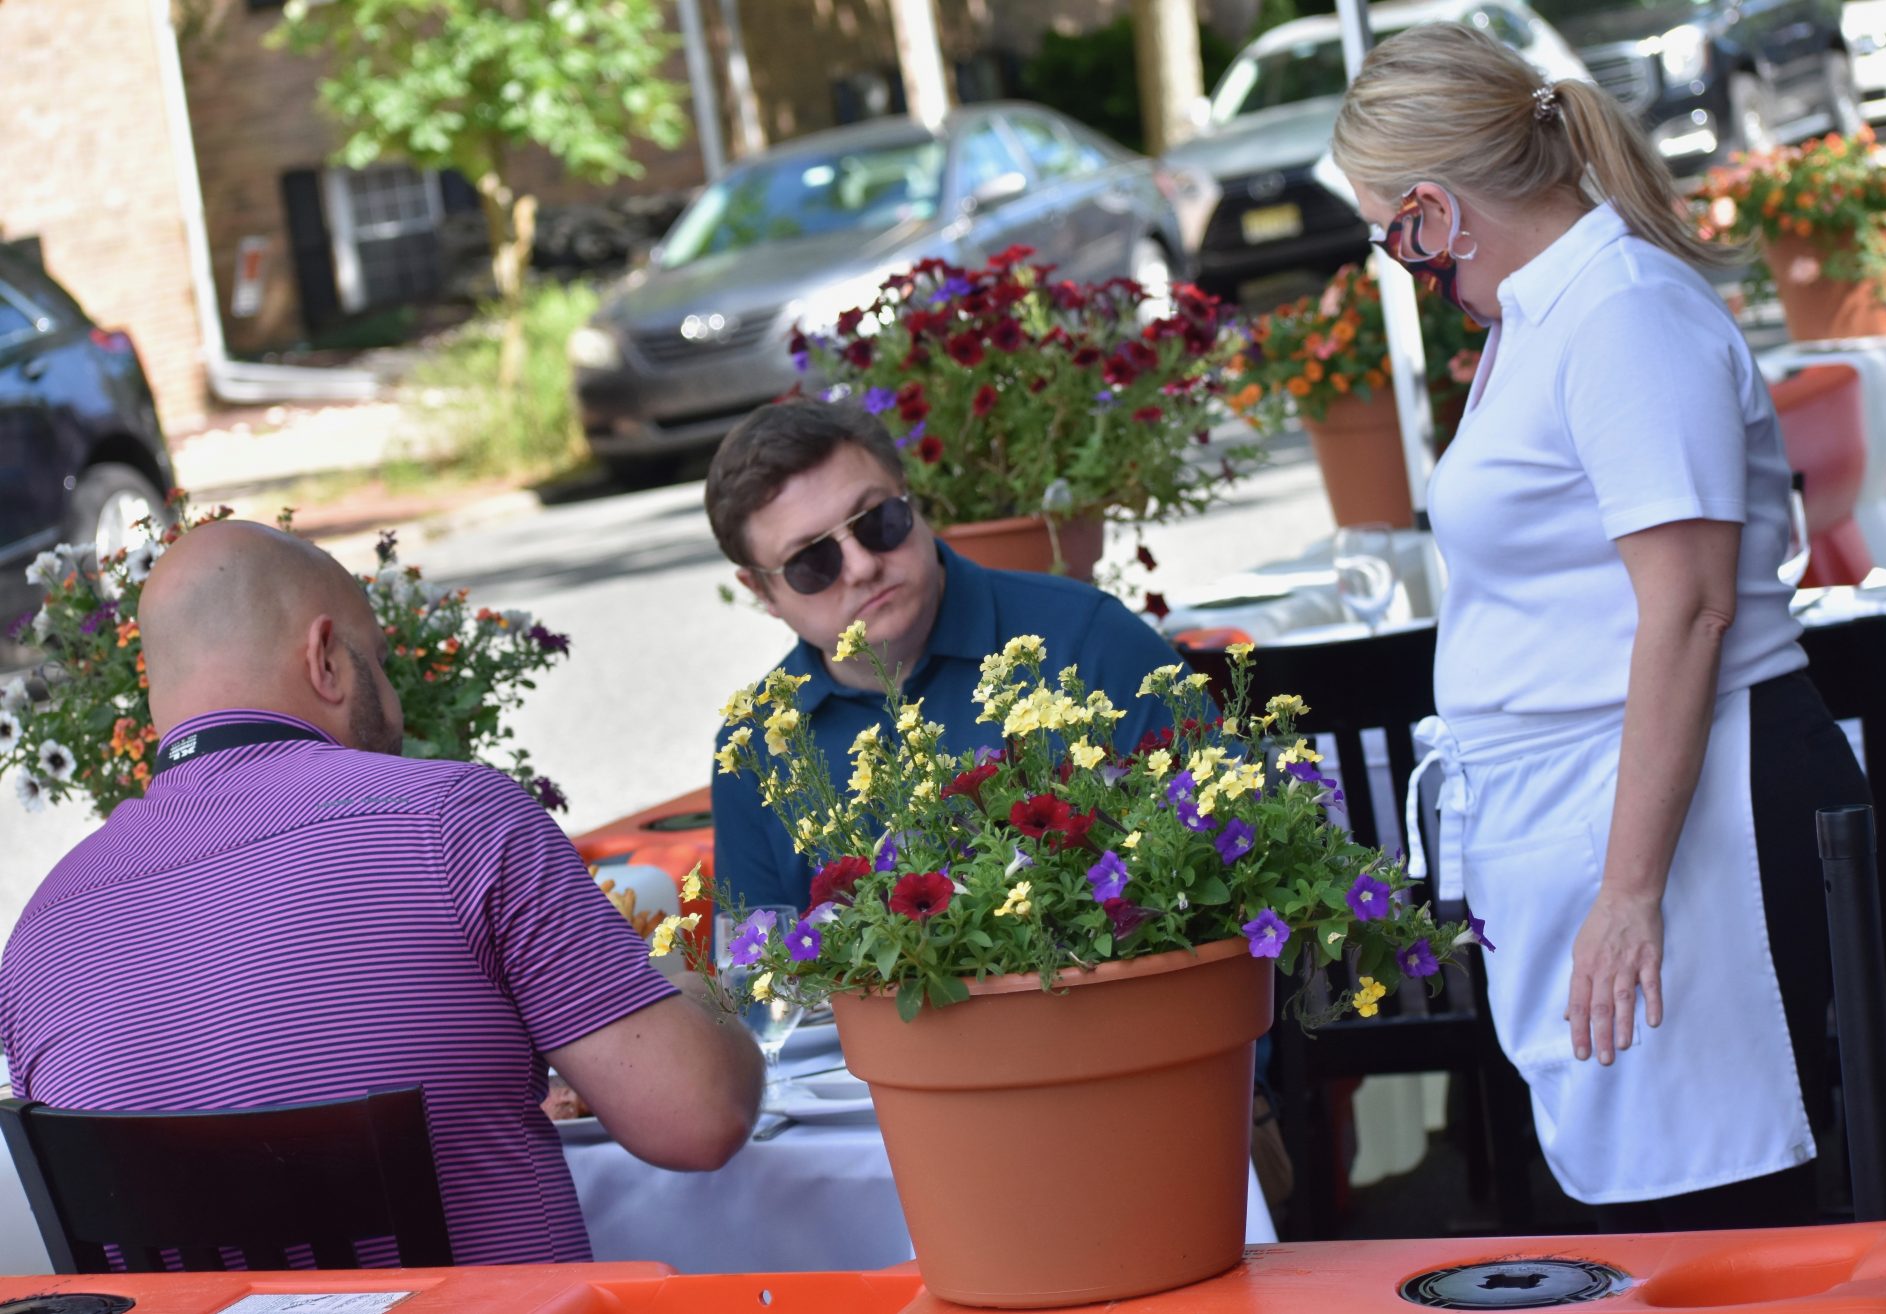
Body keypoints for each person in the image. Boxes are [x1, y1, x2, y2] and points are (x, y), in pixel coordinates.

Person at [1333, 24, 1869, 1230]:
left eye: (1387, 233)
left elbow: (1687, 608)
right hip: (1595, 802)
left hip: (1688, 810)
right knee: (1646, 1218)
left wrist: (1628, 890)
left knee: (1715, 1212)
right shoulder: (1541, 316)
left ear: (1431, 212)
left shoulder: (1620, 310)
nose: (1400, 263)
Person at [0, 520, 763, 1264]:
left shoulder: (36, 940)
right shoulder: (454, 820)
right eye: (381, 659)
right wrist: (690, 973)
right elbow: (699, 1120)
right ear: (326, 657)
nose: (393, 701)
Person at [706, 397, 1187, 914]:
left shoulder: (1086, 637)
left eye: (877, 521)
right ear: (761, 592)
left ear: (914, 502)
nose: (862, 565)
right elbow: (759, 974)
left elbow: (1214, 863)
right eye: (811, 561)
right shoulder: (756, 747)